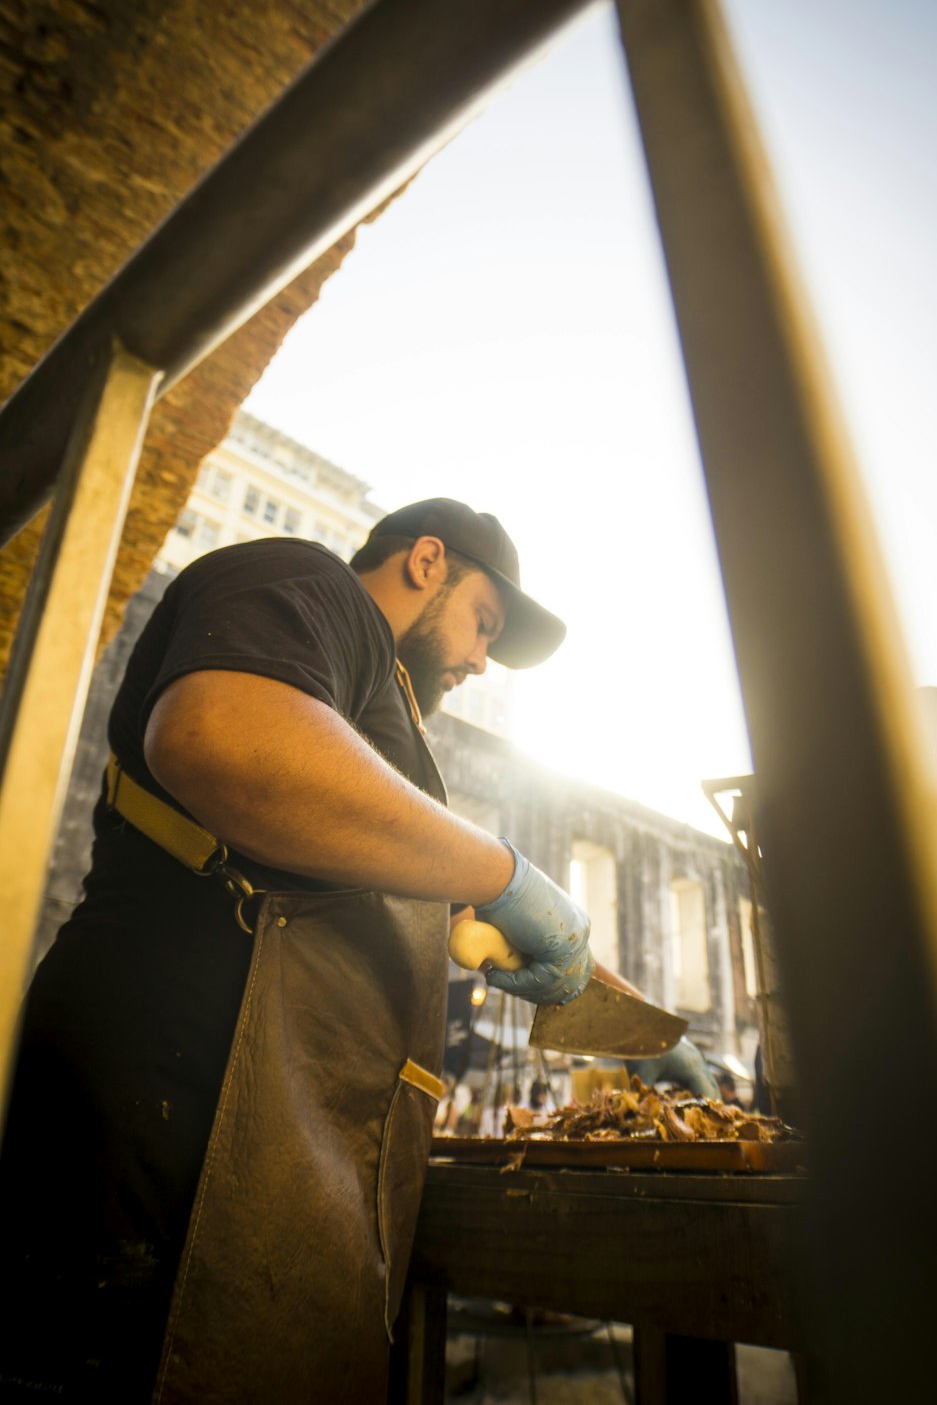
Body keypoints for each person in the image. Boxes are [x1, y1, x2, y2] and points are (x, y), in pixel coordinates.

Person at [0, 498, 594, 1404]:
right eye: (485, 622)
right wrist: (503, 871)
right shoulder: (307, 582)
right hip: (162, 1101)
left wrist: (623, 1012)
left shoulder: (370, 710)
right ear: (426, 562)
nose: (480, 659)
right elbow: (221, 732)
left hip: (250, 1130)